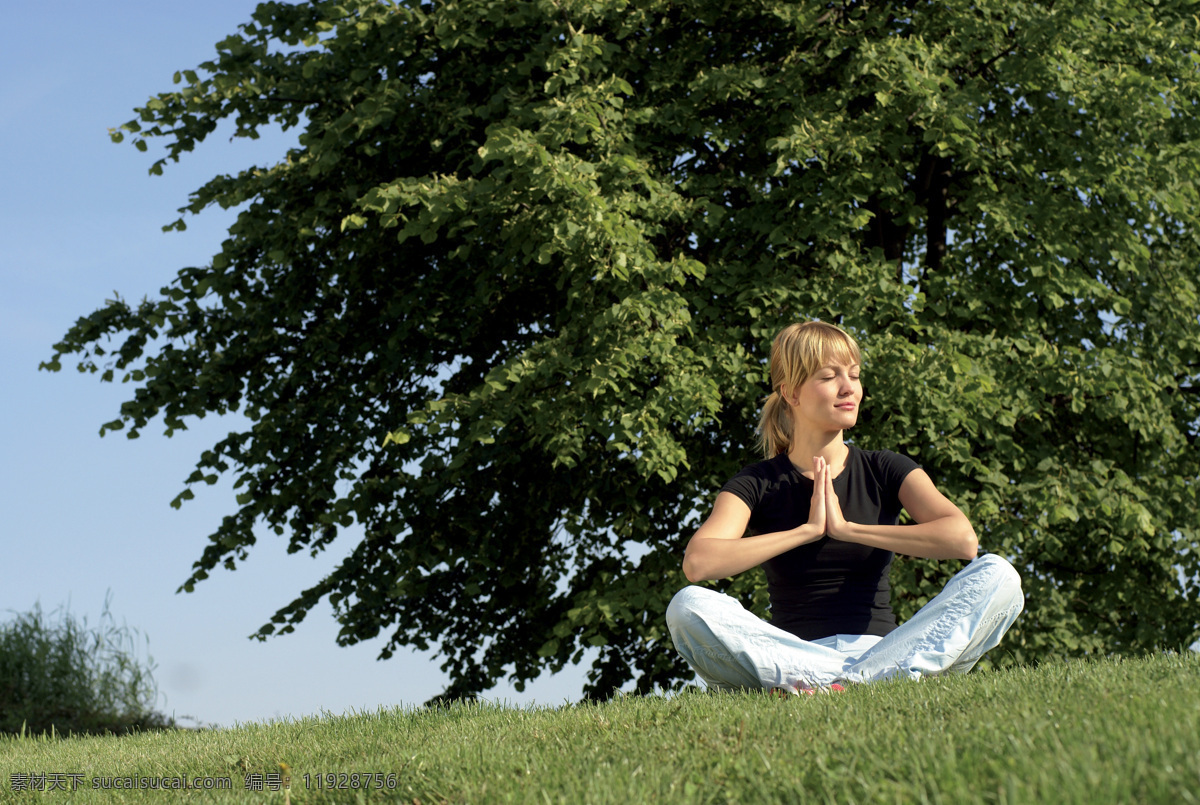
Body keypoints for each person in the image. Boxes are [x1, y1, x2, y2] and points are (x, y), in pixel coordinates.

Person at [666, 321, 1023, 695]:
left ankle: (848, 683)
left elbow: (962, 541)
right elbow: (699, 563)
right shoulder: (758, 482)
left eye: (853, 374)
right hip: (796, 657)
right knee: (687, 606)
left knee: (999, 575)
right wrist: (805, 531)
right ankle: (870, 683)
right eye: (829, 376)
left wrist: (847, 529)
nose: (849, 387)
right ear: (791, 392)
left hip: (887, 651)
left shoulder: (885, 467)